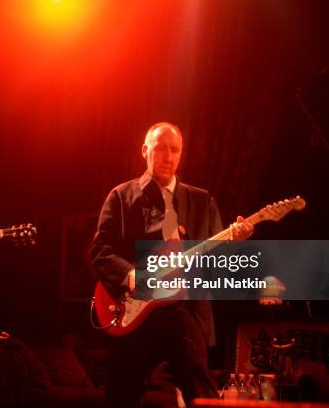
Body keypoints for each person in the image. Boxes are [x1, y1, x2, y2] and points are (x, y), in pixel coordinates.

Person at [90, 122, 253, 407]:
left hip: (184, 309)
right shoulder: (121, 196)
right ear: (145, 151)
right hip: (133, 311)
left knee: (200, 391)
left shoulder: (202, 201)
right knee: (122, 393)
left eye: (175, 150)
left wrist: (235, 243)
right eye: (161, 148)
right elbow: (100, 251)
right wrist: (129, 275)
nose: (168, 156)